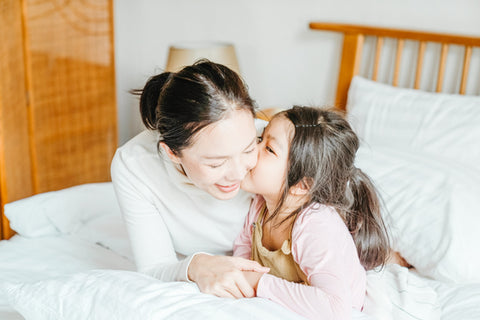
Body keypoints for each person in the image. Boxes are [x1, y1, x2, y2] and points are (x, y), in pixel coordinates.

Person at [111, 60, 270, 299]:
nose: (238, 173)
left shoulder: (274, 144)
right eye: (216, 163)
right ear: (172, 153)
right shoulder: (134, 165)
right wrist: (196, 265)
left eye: (249, 150)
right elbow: (154, 267)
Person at [233, 106, 390, 320]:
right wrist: (242, 279)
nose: (253, 149)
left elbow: (335, 308)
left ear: (302, 185)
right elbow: (244, 247)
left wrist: (258, 282)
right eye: (260, 138)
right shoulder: (260, 205)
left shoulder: (314, 225)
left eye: (269, 149)